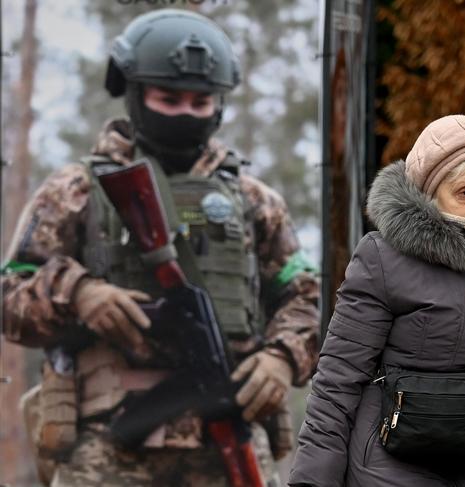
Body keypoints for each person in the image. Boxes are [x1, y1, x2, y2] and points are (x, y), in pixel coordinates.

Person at [2, 9, 319, 487]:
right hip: (107, 451)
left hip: (227, 439)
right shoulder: (78, 189)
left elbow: (307, 299)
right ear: (134, 94)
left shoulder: (254, 201)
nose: (186, 113)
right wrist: (79, 292)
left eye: (200, 101)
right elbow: (11, 295)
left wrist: (283, 357)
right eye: (168, 99)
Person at [288, 115, 465, 486]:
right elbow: (336, 383)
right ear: (430, 192)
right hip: (387, 466)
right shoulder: (382, 258)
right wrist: (311, 481)